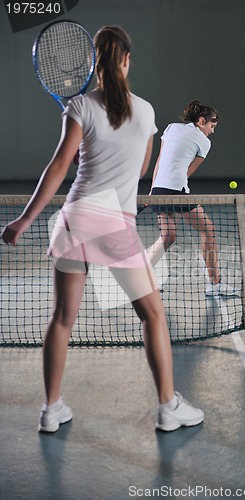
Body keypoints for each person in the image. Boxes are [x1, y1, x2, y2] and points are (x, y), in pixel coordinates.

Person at [1, 26, 203, 433]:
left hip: (75, 217)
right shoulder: (145, 112)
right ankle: (167, 407)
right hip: (115, 223)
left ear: (95, 62)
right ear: (126, 60)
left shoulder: (79, 107)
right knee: (152, 316)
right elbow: (141, 170)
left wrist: (24, 219)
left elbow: (59, 169)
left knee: (62, 318)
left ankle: (51, 409)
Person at [149, 100, 240, 297]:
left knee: (168, 236)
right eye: (212, 126)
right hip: (176, 192)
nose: (212, 131)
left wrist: (152, 191)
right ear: (201, 121)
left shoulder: (171, 128)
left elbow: (160, 160)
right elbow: (186, 172)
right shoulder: (204, 142)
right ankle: (215, 285)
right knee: (208, 229)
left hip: (158, 189)